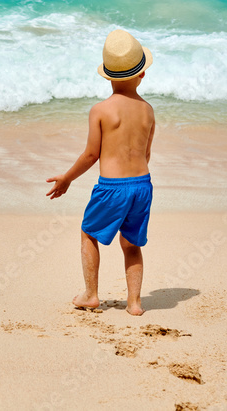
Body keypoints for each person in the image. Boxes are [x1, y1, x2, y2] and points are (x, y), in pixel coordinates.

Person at [46, 29, 155, 316]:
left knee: (88, 232)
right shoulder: (148, 110)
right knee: (131, 244)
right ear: (142, 74)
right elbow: (146, 154)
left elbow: (91, 155)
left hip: (113, 187)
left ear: (107, 76)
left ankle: (91, 294)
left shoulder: (101, 110)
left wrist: (67, 178)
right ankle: (134, 303)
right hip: (142, 185)